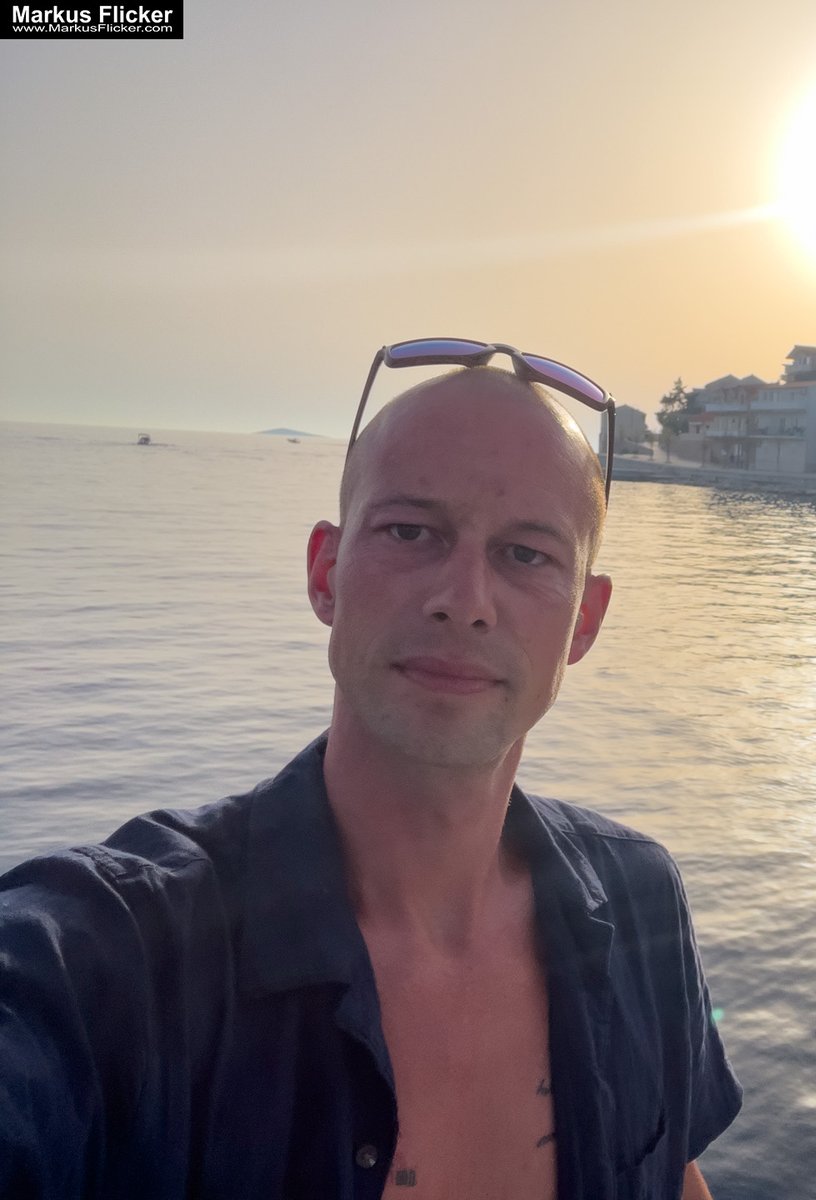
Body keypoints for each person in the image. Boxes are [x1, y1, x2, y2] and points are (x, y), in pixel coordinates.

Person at [0, 350, 741, 1199]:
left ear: (585, 622)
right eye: (410, 533)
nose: (464, 600)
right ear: (326, 572)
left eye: (526, 554)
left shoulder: (642, 903)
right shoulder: (118, 961)